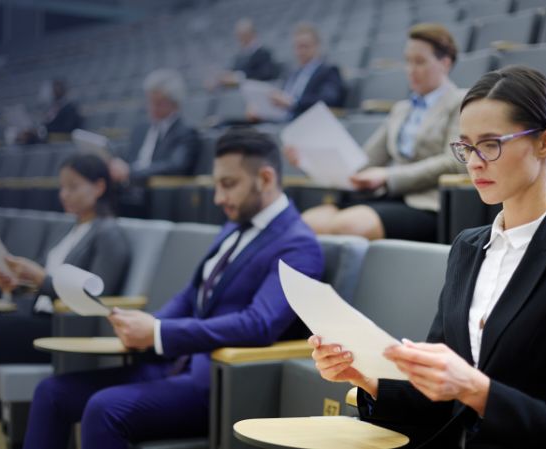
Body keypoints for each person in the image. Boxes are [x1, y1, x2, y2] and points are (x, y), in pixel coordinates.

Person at [309, 66, 546, 448]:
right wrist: (364, 376)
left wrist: (477, 390)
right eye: (466, 146)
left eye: (491, 144)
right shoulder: (467, 247)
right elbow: (441, 407)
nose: (474, 161)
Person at [21, 128, 324, 449]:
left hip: (217, 381)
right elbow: (191, 294)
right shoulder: (234, 225)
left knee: (104, 408)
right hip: (170, 363)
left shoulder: (298, 245)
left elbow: (259, 324)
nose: (218, 198)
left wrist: (160, 332)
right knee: (51, 393)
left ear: (265, 178)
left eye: (228, 185)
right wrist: (146, 327)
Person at [0, 153, 131, 449]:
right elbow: (50, 287)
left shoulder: (108, 233)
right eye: (62, 188)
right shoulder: (71, 229)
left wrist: (38, 278)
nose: (65, 195)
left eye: (73, 187)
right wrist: (21, 285)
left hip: (64, 328)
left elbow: (95, 298)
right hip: (40, 317)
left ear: (99, 186)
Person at [292, 23, 465, 241]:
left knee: (348, 225)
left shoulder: (460, 102)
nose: (411, 70)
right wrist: (309, 162)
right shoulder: (401, 110)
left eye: (419, 62)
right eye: (408, 61)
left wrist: (388, 176)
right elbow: (362, 162)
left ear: (445, 63)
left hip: (426, 203)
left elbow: (454, 162)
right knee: (307, 223)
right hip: (387, 197)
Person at [108, 68, 200, 217]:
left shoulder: (185, 132)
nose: (152, 108)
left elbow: (176, 166)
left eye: (158, 103)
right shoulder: (141, 129)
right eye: (150, 101)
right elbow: (128, 158)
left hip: (153, 198)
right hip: (126, 192)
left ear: (174, 104)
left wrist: (131, 173)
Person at [250, 22, 345, 122]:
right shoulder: (293, 73)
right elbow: (282, 99)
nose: (301, 51)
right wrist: (261, 109)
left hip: (307, 121)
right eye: (298, 47)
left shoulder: (328, 70)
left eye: (305, 46)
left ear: (317, 46)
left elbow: (328, 99)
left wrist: (294, 103)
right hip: (283, 120)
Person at [15, 79, 83, 145]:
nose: (54, 91)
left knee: (28, 139)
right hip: (49, 136)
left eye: (57, 88)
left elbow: (67, 128)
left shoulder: (70, 107)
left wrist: (44, 130)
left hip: (60, 138)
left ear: (63, 89)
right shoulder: (53, 107)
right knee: (24, 137)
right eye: (53, 88)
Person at [217, 18, 280, 86]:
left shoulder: (264, 53)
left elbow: (265, 75)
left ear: (251, 34)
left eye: (242, 34)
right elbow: (232, 70)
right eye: (238, 35)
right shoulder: (240, 56)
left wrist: (239, 78)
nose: (239, 38)